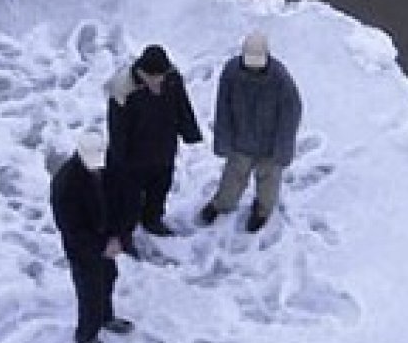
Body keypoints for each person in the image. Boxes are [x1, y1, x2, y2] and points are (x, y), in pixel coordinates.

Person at [199, 32, 302, 233]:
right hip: (241, 140)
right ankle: (222, 204)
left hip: (269, 146)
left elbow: (290, 115)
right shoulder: (231, 72)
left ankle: (262, 211)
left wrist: (283, 149)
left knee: (268, 184)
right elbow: (223, 107)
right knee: (232, 179)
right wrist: (223, 140)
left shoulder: (281, 79)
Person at [105, 43, 202, 242]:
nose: (158, 81)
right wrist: (119, 159)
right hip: (134, 157)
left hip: (164, 149)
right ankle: (124, 233)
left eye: (161, 76)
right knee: (128, 199)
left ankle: (152, 220)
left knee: (159, 190)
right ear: (142, 72)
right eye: (154, 77)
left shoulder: (172, 78)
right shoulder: (123, 89)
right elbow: (117, 129)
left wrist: (190, 132)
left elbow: (182, 106)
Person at [50, 133, 134, 343]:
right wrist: (102, 246)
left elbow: (125, 201)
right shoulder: (65, 183)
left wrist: (119, 237)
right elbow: (71, 228)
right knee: (90, 290)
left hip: (108, 238)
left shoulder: (112, 165)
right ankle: (86, 335)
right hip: (83, 248)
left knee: (108, 277)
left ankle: (106, 317)